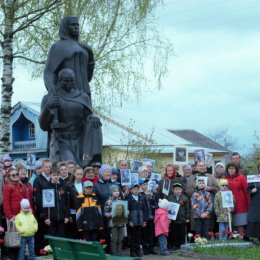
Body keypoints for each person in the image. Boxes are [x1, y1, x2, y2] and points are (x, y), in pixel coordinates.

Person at [39, 68, 102, 166]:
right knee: (72, 166)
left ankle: (95, 159)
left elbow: (88, 116)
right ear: (59, 81)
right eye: (66, 80)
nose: (69, 83)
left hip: (81, 139)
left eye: (71, 80)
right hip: (62, 141)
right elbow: (43, 125)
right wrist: (48, 107)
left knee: (86, 163)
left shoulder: (82, 97)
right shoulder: (49, 97)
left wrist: (94, 117)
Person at [44, 16, 95, 104]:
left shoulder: (84, 49)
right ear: (65, 27)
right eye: (72, 25)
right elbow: (49, 72)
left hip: (85, 94)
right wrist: (53, 92)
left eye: (77, 25)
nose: (76, 27)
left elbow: (88, 78)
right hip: (66, 96)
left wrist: (90, 54)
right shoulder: (58, 46)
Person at [3, 167, 33, 260]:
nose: (16, 176)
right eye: (13, 175)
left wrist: (30, 209)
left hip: (23, 215)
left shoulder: (21, 185)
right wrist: (10, 216)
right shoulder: (7, 187)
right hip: (13, 216)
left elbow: (26, 200)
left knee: (22, 238)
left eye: (16, 174)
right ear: (9, 177)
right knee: (13, 238)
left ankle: (22, 256)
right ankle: (13, 257)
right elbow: (6, 203)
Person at [43, 166, 69, 237]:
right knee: (52, 237)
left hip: (62, 218)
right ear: (50, 175)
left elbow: (67, 202)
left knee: (61, 237)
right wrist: (46, 217)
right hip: (51, 218)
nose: (56, 177)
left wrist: (67, 216)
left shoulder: (64, 186)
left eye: (57, 175)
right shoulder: (46, 187)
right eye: (54, 175)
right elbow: (45, 204)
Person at [225, 162, 249, 234]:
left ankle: (242, 240)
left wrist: (249, 204)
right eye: (229, 169)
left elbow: (247, 191)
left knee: (240, 224)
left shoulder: (241, 178)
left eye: (233, 168)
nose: (231, 170)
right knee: (232, 225)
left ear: (236, 169)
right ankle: (235, 242)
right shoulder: (225, 179)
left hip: (241, 206)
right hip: (229, 205)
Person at [103, 185, 125, 256]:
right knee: (114, 239)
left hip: (121, 223)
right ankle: (114, 253)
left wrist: (126, 212)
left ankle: (119, 252)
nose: (117, 192)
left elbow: (123, 211)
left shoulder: (121, 201)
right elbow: (105, 213)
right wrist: (110, 214)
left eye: (118, 191)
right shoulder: (108, 202)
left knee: (120, 238)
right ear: (111, 192)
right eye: (114, 191)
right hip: (113, 224)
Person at [168, 183, 190, 250]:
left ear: (182, 190)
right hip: (173, 219)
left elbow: (187, 208)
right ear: (173, 190)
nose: (177, 191)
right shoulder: (170, 198)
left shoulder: (184, 198)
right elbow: (168, 208)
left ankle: (181, 245)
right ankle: (174, 245)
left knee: (182, 233)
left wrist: (188, 217)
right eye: (176, 189)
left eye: (179, 189)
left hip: (182, 219)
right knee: (174, 233)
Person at [139, 178, 158, 255]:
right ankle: (145, 249)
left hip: (151, 217)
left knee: (151, 234)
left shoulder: (150, 193)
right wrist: (145, 196)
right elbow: (139, 205)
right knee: (144, 234)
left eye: (146, 184)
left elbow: (155, 205)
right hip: (144, 217)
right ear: (140, 186)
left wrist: (152, 199)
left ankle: (151, 248)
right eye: (143, 185)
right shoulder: (139, 194)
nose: (145, 186)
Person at [128, 183, 147, 257]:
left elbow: (145, 210)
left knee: (139, 237)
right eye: (134, 189)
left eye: (137, 189)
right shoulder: (129, 199)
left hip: (140, 221)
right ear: (131, 190)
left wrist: (144, 221)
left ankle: (138, 251)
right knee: (132, 238)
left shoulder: (141, 198)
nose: (136, 191)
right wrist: (130, 221)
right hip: (133, 222)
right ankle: (132, 251)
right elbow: (127, 211)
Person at [66, 166, 84, 238]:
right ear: (74, 174)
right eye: (78, 174)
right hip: (73, 212)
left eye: (81, 174)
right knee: (74, 231)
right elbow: (67, 201)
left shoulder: (84, 185)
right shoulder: (69, 185)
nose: (79, 176)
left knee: (82, 231)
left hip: (83, 211)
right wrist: (68, 214)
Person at [246, 170, 260, 242]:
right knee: (255, 217)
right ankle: (255, 237)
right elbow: (248, 189)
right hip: (256, 202)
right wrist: (251, 191)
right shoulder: (254, 178)